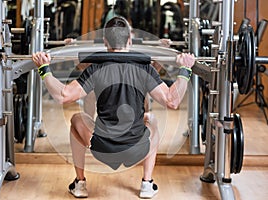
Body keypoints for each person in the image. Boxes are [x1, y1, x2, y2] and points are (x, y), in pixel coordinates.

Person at [32, 16, 195, 199]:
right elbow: (172, 101)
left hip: (102, 149)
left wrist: (44, 68)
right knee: (153, 120)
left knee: (76, 119)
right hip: (137, 149)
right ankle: (147, 184)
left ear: (104, 42)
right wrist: (185, 70)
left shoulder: (96, 69)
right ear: (130, 41)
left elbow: (63, 96)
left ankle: (80, 183)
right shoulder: (145, 69)